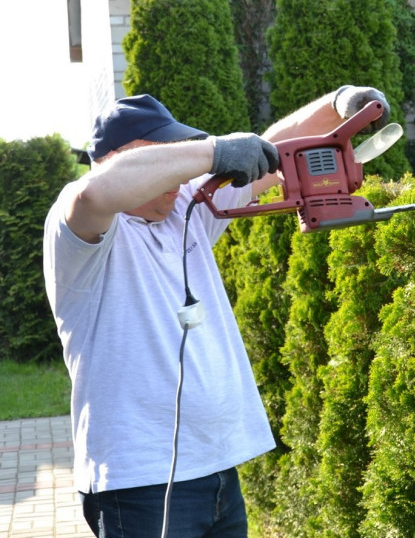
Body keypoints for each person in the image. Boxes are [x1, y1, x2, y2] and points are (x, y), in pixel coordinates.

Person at [44, 87, 389, 537]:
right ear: (123, 157)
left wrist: (338, 104)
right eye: (166, 156)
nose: (180, 173)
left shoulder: (186, 210)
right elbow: (95, 193)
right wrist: (212, 151)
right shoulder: (79, 233)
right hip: (141, 484)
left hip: (218, 469)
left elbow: (273, 147)